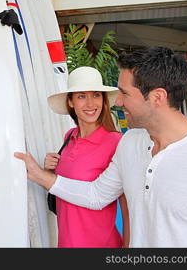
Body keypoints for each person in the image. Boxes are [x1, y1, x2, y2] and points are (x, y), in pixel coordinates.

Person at [15, 46, 187, 247]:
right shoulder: (130, 143)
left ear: (157, 97)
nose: (117, 102)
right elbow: (97, 195)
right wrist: (39, 175)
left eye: (124, 93)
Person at [44, 66, 129, 248]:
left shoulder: (116, 142)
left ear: (104, 101)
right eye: (82, 96)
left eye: (96, 95)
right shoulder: (69, 137)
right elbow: (63, 185)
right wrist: (49, 170)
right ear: (71, 102)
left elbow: (127, 201)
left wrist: (128, 247)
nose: (90, 104)